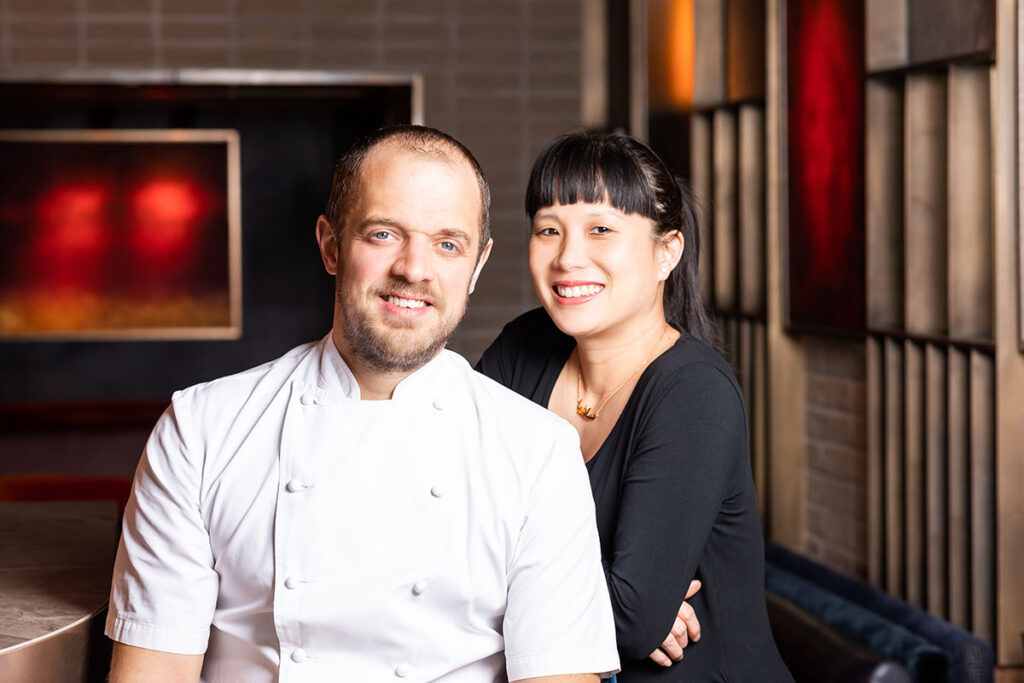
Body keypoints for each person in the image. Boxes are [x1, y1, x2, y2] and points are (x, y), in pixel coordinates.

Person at [105, 125, 621, 683]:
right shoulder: (202, 428)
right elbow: (153, 671)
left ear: (475, 268)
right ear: (330, 245)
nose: (414, 269)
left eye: (448, 244)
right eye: (383, 234)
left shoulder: (536, 450)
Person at [477, 131, 793, 682]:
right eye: (549, 229)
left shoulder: (694, 393)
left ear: (666, 251)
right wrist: (607, 596)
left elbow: (631, 621)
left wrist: (623, 608)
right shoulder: (523, 348)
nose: (568, 257)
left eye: (601, 230)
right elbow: (436, 510)